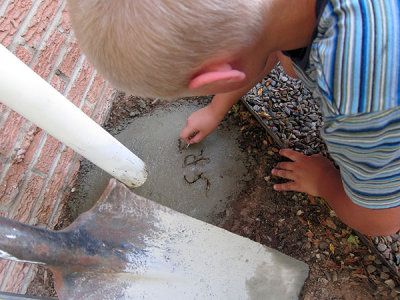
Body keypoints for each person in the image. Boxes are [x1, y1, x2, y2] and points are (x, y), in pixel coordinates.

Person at [67, 0, 400, 236]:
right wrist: (216, 108)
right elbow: (260, 35)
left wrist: (324, 180)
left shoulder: (358, 104)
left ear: (219, 77)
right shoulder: (279, 11)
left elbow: (382, 221)